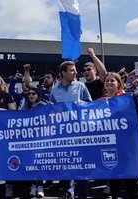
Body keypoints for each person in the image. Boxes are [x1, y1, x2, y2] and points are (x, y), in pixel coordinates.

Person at [102, 69, 138, 199]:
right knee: (113, 178)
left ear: (119, 84)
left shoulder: (129, 99)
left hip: (129, 146)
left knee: (131, 181)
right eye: (107, 80)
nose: (109, 82)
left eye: (113, 80)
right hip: (109, 145)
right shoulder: (98, 102)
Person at [50, 61, 92, 198]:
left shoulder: (81, 86)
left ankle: (81, 193)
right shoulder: (54, 91)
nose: (75, 72)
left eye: (75, 70)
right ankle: (68, 190)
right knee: (67, 162)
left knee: (81, 162)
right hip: (63, 134)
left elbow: (91, 107)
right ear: (63, 73)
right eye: (72, 70)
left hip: (80, 132)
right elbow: (51, 110)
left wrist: (82, 106)